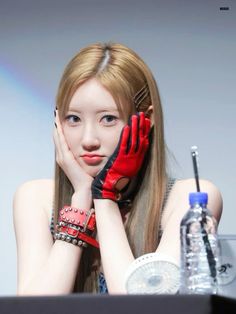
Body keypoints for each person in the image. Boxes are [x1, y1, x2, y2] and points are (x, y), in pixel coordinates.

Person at [13, 42, 223, 295]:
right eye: (74, 119)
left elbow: (141, 307)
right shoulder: (36, 198)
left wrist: (104, 197)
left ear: (146, 119)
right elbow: (34, 310)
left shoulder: (192, 200)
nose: (89, 139)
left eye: (108, 119)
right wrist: (81, 201)